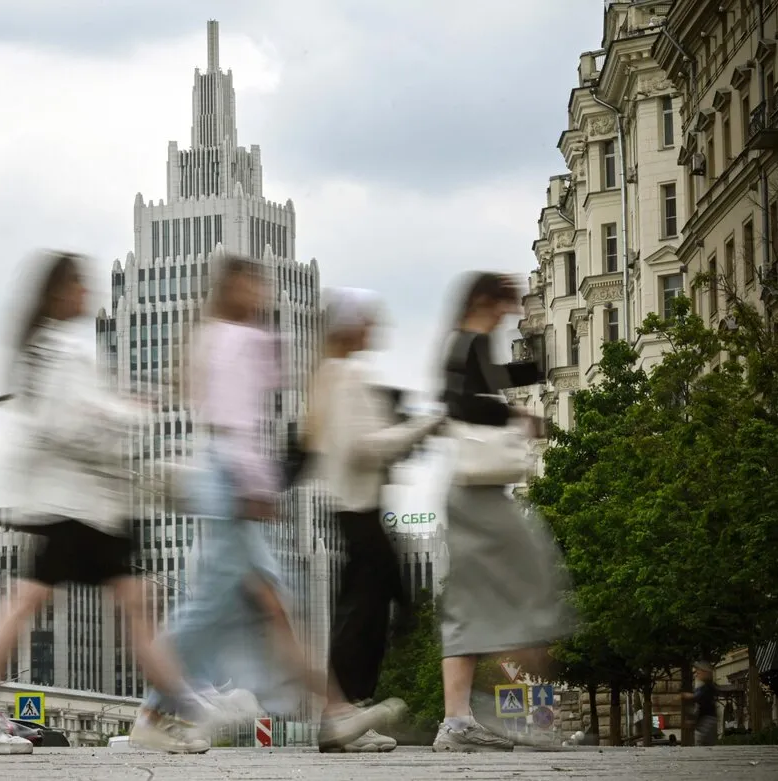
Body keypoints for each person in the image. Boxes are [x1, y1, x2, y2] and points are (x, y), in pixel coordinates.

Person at [0, 252, 214, 754]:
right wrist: (129, 414)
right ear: (61, 293)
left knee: (135, 604)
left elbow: (77, 416)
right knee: (28, 606)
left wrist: (126, 408)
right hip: (74, 508)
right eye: (80, 285)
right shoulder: (56, 353)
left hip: (87, 506)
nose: (88, 293)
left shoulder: (51, 350)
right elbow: (70, 425)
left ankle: (166, 713)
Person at [133, 256, 404, 753]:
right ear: (233, 288)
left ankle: (335, 713)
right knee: (212, 611)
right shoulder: (233, 339)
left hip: (228, 480)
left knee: (275, 608)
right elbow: (233, 424)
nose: (264, 294)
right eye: (254, 284)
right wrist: (256, 484)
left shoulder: (222, 337)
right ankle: (151, 714)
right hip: (231, 484)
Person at [433, 272, 572, 753]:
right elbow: (461, 403)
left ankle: (460, 718)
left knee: (481, 595)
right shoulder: (467, 342)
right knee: (532, 578)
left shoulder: (469, 344)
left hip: (478, 490)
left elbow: (484, 386)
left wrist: (537, 366)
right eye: (505, 304)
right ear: (484, 302)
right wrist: (518, 416)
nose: (508, 312)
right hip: (478, 491)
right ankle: (516, 714)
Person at [306, 288, 443, 753]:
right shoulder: (343, 377)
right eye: (366, 319)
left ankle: (349, 714)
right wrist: (422, 426)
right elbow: (366, 446)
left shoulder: (337, 375)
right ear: (350, 327)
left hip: (354, 508)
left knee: (369, 612)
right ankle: (341, 718)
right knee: (367, 614)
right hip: (356, 508)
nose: (373, 327)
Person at [685, 661, 719, 746]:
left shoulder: (708, 687)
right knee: (703, 743)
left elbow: (699, 698)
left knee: (702, 743)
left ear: (705, 673)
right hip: (704, 722)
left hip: (707, 721)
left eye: (698, 672)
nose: (696, 675)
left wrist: (688, 696)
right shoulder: (704, 687)